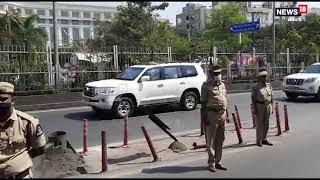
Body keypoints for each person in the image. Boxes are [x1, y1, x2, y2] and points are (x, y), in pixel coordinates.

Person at [0, 82, 47, 178]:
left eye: (3, 99)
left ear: (13, 100)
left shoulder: (28, 123)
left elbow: (40, 148)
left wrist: (21, 159)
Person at [201, 65, 228, 172]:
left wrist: (227, 113)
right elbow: (203, 103)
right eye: (215, 74)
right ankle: (211, 162)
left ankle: (218, 161)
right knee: (211, 140)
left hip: (222, 114)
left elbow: (225, 99)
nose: (218, 76)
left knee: (221, 139)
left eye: (219, 73)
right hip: (211, 114)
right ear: (211, 75)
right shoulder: (206, 86)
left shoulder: (222, 85)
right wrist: (204, 118)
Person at [251, 70, 273, 147]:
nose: (265, 78)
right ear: (260, 78)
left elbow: (271, 96)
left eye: (266, 77)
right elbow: (253, 98)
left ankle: (264, 139)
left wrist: (272, 106)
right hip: (259, 106)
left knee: (266, 123)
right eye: (263, 77)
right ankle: (259, 140)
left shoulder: (269, 85)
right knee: (259, 124)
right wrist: (255, 109)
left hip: (268, 105)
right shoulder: (256, 87)